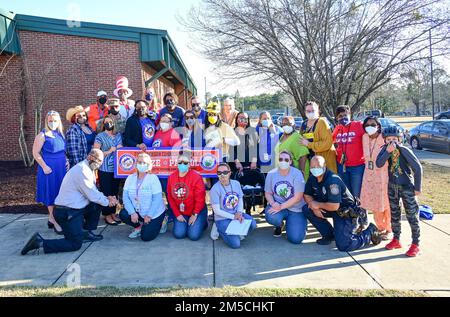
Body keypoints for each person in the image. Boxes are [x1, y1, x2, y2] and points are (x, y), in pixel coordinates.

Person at [21, 149, 119, 255]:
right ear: (90, 157)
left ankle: (85, 233)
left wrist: (107, 198)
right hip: (66, 212)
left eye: (101, 161)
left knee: (95, 205)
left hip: (75, 208)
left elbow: (94, 192)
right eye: (98, 161)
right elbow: (92, 195)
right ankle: (40, 242)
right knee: (74, 244)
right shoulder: (83, 171)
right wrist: (108, 202)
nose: (99, 164)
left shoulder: (87, 168)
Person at [302, 156, 382, 252]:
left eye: (318, 166)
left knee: (345, 245)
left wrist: (317, 205)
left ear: (325, 166)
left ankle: (369, 232)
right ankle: (329, 235)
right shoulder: (312, 178)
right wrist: (313, 206)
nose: (315, 169)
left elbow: (334, 206)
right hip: (329, 207)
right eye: (312, 167)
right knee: (307, 209)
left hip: (345, 212)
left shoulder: (332, 181)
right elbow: (307, 195)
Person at [376, 126, 423, 257]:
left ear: (400, 139)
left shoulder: (404, 150)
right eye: (388, 139)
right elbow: (379, 163)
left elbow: (418, 168)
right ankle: (396, 239)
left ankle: (415, 244)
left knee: (412, 215)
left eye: (394, 139)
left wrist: (418, 188)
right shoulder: (385, 150)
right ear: (385, 140)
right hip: (392, 187)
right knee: (395, 214)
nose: (392, 142)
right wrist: (387, 152)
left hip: (407, 187)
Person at [33, 110, 67, 235]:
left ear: (59, 122)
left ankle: (51, 218)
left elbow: (62, 150)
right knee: (51, 193)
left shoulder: (60, 134)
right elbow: (35, 153)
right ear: (47, 121)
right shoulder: (42, 135)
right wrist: (44, 166)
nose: (53, 123)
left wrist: (67, 160)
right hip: (49, 168)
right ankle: (53, 219)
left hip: (61, 168)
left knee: (59, 192)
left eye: (55, 120)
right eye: (50, 121)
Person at [119, 153, 166, 241]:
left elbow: (157, 199)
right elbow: (125, 198)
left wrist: (149, 215)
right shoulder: (130, 178)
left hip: (154, 213)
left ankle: (163, 221)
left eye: (144, 163)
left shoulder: (153, 178)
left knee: (146, 237)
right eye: (139, 162)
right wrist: (132, 213)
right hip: (138, 211)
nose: (141, 165)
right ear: (136, 164)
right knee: (123, 214)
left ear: (149, 165)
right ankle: (138, 227)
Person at [210, 163, 257, 249]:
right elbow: (217, 211)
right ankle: (218, 228)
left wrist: (239, 213)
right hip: (222, 219)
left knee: (253, 224)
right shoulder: (215, 189)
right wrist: (234, 217)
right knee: (236, 244)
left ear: (230, 173)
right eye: (219, 173)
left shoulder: (236, 184)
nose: (222, 175)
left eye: (225, 172)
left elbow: (239, 199)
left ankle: (236, 231)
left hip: (236, 215)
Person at [264, 151, 307, 243]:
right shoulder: (271, 174)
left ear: (290, 162)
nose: (283, 161)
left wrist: (280, 207)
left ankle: (295, 223)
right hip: (278, 206)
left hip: (296, 208)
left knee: (296, 239)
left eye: (286, 159)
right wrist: (273, 203)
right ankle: (279, 224)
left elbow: (298, 197)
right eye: (280, 159)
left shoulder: (297, 174)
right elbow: (268, 193)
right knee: (272, 217)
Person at [360, 116, 392, 240]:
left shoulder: (384, 137)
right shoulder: (364, 137)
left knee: (386, 202)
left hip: (383, 174)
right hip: (369, 173)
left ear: (378, 125)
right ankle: (380, 227)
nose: (370, 127)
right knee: (374, 203)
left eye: (373, 124)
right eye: (367, 125)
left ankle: (389, 229)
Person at [167, 151, 208, 241]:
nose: (182, 164)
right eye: (180, 162)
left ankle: (203, 222)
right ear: (176, 163)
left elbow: (200, 199)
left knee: (193, 236)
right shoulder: (171, 177)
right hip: (181, 212)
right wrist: (177, 215)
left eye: (185, 163)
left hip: (196, 211)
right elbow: (170, 197)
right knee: (179, 234)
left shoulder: (196, 177)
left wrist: (195, 214)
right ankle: (189, 224)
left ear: (189, 164)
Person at [93, 115, 123, 226]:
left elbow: (120, 147)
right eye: (106, 122)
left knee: (114, 191)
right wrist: (109, 150)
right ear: (103, 124)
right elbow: (95, 152)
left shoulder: (118, 135)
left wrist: (119, 148)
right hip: (104, 168)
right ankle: (107, 214)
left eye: (110, 122)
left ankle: (113, 212)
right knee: (106, 192)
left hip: (116, 168)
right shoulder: (100, 136)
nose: (108, 124)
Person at [332, 105, 365, 200]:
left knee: (357, 194)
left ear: (350, 114)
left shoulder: (359, 125)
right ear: (337, 118)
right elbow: (330, 141)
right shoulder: (337, 128)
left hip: (357, 166)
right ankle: (351, 214)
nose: (343, 118)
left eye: (345, 115)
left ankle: (361, 214)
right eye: (340, 116)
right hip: (342, 166)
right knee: (347, 195)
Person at [299, 101, 337, 173]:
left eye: (313, 110)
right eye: (308, 111)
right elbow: (301, 141)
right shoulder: (304, 124)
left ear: (318, 111)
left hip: (323, 161)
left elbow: (327, 143)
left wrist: (309, 144)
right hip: (309, 161)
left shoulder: (322, 122)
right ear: (305, 112)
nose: (310, 112)